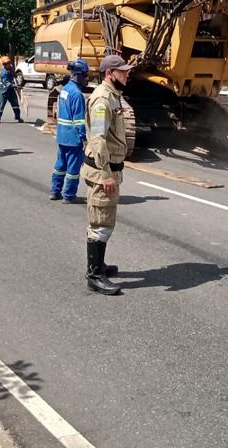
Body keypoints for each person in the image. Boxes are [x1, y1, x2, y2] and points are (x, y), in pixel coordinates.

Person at [82, 54, 132, 296]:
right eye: (123, 71)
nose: (127, 74)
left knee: (105, 219)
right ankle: (94, 275)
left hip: (110, 169)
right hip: (103, 171)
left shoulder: (113, 95)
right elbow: (98, 140)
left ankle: (99, 265)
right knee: (100, 222)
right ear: (111, 73)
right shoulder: (103, 100)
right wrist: (105, 175)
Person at [50, 59, 88, 203]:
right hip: (73, 138)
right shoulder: (77, 94)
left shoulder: (65, 89)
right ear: (78, 75)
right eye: (85, 75)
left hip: (62, 136)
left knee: (60, 165)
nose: (86, 78)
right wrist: (83, 137)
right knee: (73, 168)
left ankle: (55, 191)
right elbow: (79, 120)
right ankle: (69, 195)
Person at [0, 55, 23, 124]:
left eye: (8, 63)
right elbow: (7, 83)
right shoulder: (4, 73)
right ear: (3, 64)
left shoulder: (11, 68)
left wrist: (14, 74)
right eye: (6, 64)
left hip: (11, 90)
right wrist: (15, 86)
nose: (7, 65)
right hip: (4, 91)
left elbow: (15, 75)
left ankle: (18, 117)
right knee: (1, 105)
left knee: (15, 104)